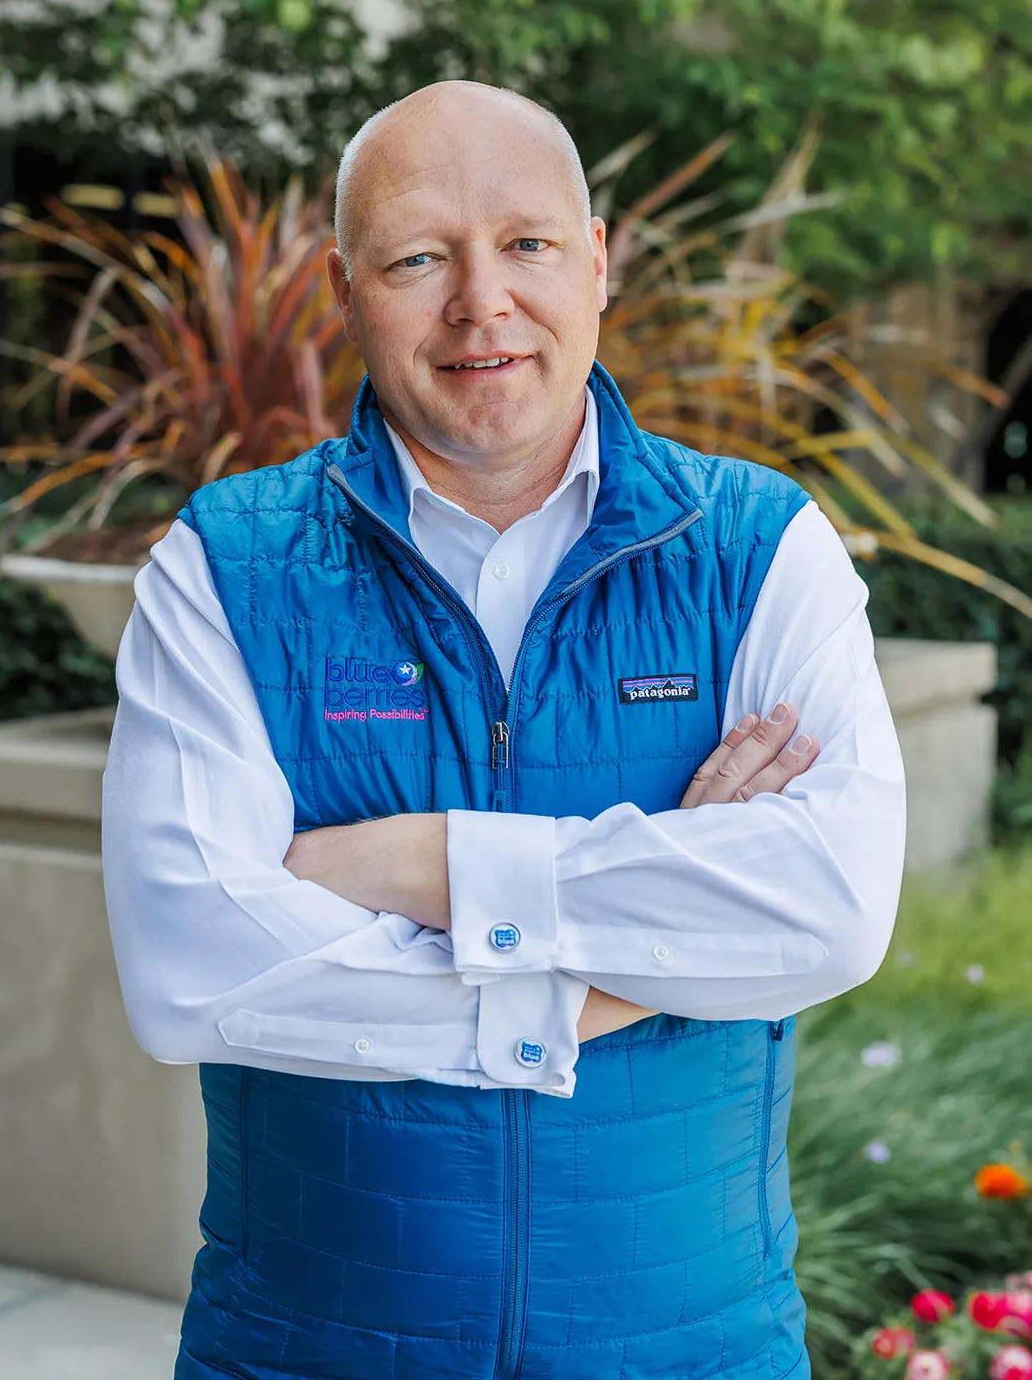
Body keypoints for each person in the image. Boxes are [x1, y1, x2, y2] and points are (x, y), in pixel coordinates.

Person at [102, 80, 906, 1380]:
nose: (482, 301)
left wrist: (423, 867)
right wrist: (628, 954)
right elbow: (192, 972)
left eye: (526, 244)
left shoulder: (758, 551)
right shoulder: (225, 569)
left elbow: (826, 910)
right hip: (306, 1352)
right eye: (419, 258)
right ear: (345, 287)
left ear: (594, 263)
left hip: (688, 1352)